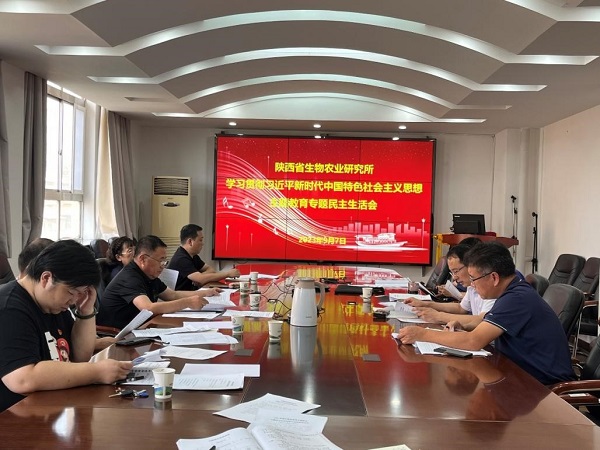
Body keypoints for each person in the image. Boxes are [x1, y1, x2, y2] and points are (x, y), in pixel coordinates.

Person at [397, 241, 575, 385]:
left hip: (542, 385)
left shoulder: (517, 298)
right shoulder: (511, 293)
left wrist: (422, 334)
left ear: (494, 277)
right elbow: (482, 323)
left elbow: (473, 341)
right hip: (518, 373)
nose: (472, 285)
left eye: (473, 279)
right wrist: (462, 325)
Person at [0, 240, 133, 411]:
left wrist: (86, 312)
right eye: (72, 292)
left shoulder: (53, 303)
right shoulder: (9, 308)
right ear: (46, 278)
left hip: (52, 407)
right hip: (14, 417)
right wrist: (96, 372)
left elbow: (79, 356)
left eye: (80, 293)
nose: (74, 300)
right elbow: (22, 378)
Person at [97, 235, 221, 330]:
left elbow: (172, 295)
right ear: (143, 259)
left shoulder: (148, 274)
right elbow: (148, 308)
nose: (163, 265)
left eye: (164, 261)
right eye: (160, 260)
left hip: (139, 328)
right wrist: (187, 302)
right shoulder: (129, 277)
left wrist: (206, 292)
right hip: (117, 334)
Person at [406, 244, 495, 330]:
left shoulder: (491, 289)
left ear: (469, 266)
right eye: (452, 272)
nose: (454, 277)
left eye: (456, 271)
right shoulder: (471, 287)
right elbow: (461, 308)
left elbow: (481, 320)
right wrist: (426, 304)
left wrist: (438, 316)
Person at [168, 224, 240, 290]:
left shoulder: (193, 255)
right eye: (200, 240)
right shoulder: (181, 259)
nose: (202, 243)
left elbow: (210, 270)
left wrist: (201, 277)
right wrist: (228, 274)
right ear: (190, 242)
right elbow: (201, 279)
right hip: (182, 297)